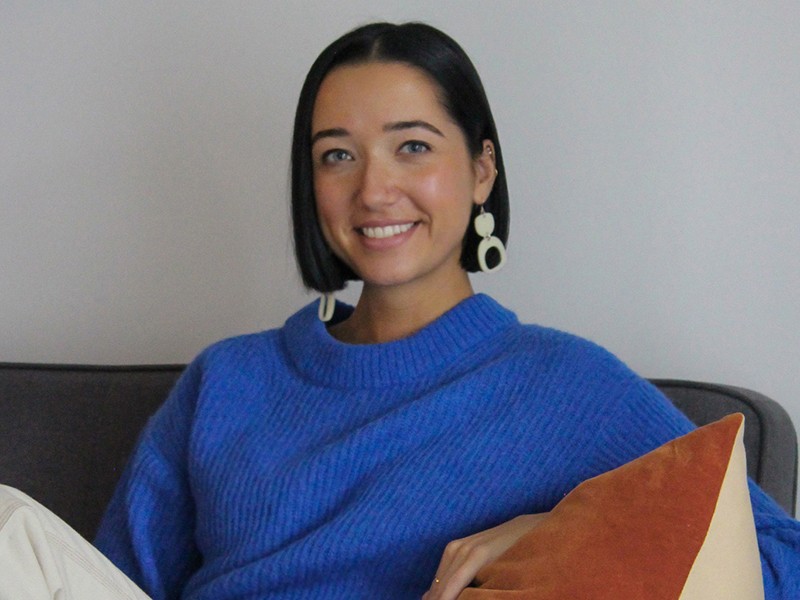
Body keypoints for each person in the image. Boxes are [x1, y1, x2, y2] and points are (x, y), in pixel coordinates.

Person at [3, 21, 798, 600]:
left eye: (412, 146)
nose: (374, 189)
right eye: (337, 156)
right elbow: (103, 580)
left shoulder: (566, 385)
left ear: (481, 170)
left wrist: (554, 533)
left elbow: (779, 562)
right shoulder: (227, 380)